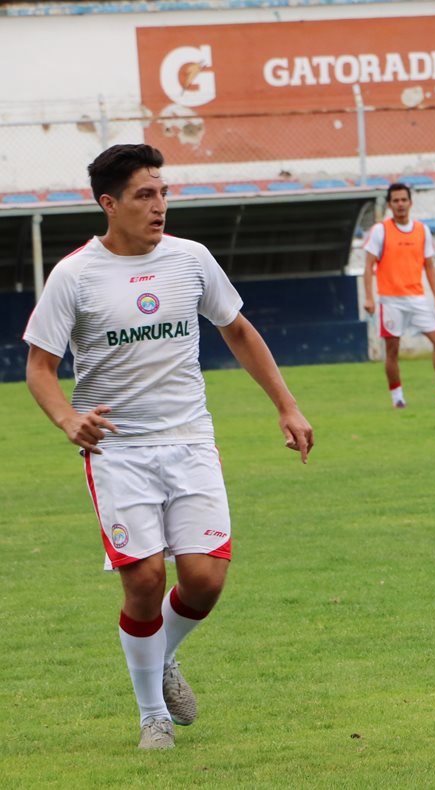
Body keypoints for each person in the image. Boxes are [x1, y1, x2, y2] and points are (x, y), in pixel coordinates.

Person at [23, 144, 314, 750]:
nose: (159, 207)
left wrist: (286, 405)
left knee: (206, 581)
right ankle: (152, 714)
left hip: (190, 441)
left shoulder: (191, 259)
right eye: (144, 196)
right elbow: (41, 367)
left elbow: (237, 330)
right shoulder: (74, 275)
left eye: (163, 193)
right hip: (118, 451)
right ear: (109, 203)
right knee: (147, 580)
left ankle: (159, 657)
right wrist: (66, 418)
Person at [362, 182, 435, 409]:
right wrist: (369, 297)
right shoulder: (380, 230)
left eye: (403, 200)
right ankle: (398, 399)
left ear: (410, 203)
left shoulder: (421, 230)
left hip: (417, 298)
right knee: (393, 350)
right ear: (389, 204)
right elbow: (368, 266)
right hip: (390, 300)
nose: (400, 204)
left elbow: (429, 266)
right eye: (395, 200)